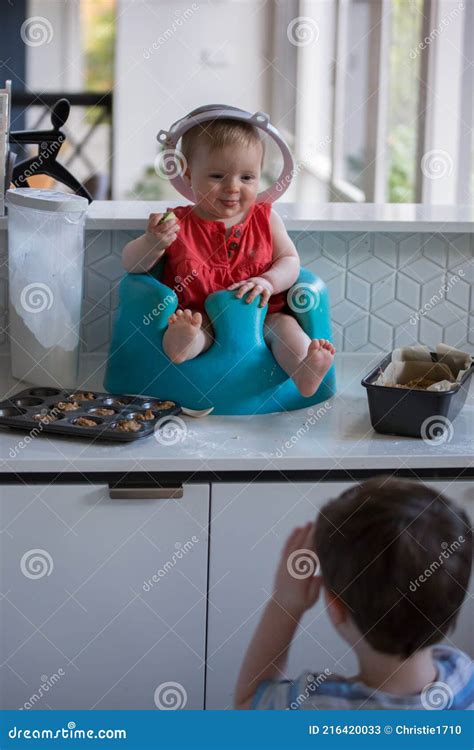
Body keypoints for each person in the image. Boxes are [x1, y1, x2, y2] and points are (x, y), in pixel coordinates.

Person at [122, 118, 335, 397]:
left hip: (262, 314)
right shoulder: (176, 222)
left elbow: (290, 261)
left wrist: (269, 282)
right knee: (193, 330)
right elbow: (131, 264)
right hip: (201, 314)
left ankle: (304, 371)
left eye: (247, 178)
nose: (233, 187)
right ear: (188, 175)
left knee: (286, 328)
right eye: (217, 176)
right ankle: (182, 345)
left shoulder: (266, 218)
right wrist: (153, 241)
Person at [235, 477, 473, 710]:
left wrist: (285, 604)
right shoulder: (464, 677)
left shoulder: (315, 705)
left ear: (336, 608)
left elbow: (246, 703)